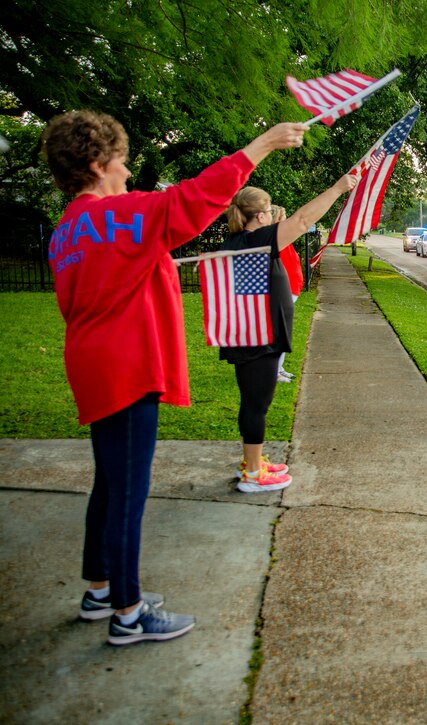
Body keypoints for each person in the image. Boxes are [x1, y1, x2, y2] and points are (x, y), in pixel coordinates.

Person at [42, 109, 306, 645]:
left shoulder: (66, 230)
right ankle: (128, 613)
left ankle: (100, 591)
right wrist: (262, 145)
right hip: (127, 368)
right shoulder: (117, 215)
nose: (127, 168)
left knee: (108, 483)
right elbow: (192, 200)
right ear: (97, 164)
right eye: (120, 159)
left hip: (91, 363)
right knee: (128, 493)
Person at [221, 173, 358, 495]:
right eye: (269, 212)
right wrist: (338, 188)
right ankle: (253, 473)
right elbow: (302, 219)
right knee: (257, 405)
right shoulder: (255, 240)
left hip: (256, 335)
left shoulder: (245, 241)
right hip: (257, 338)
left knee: (254, 402)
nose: (272, 217)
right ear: (261, 216)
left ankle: (252, 461)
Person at [272, 205, 304, 383]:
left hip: (291, 288)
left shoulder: (280, 235)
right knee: (279, 332)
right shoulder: (276, 236)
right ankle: (273, 371)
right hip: (284, 289)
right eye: (283, 217)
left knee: (283, 331)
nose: (286, 220)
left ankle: (279, 367)